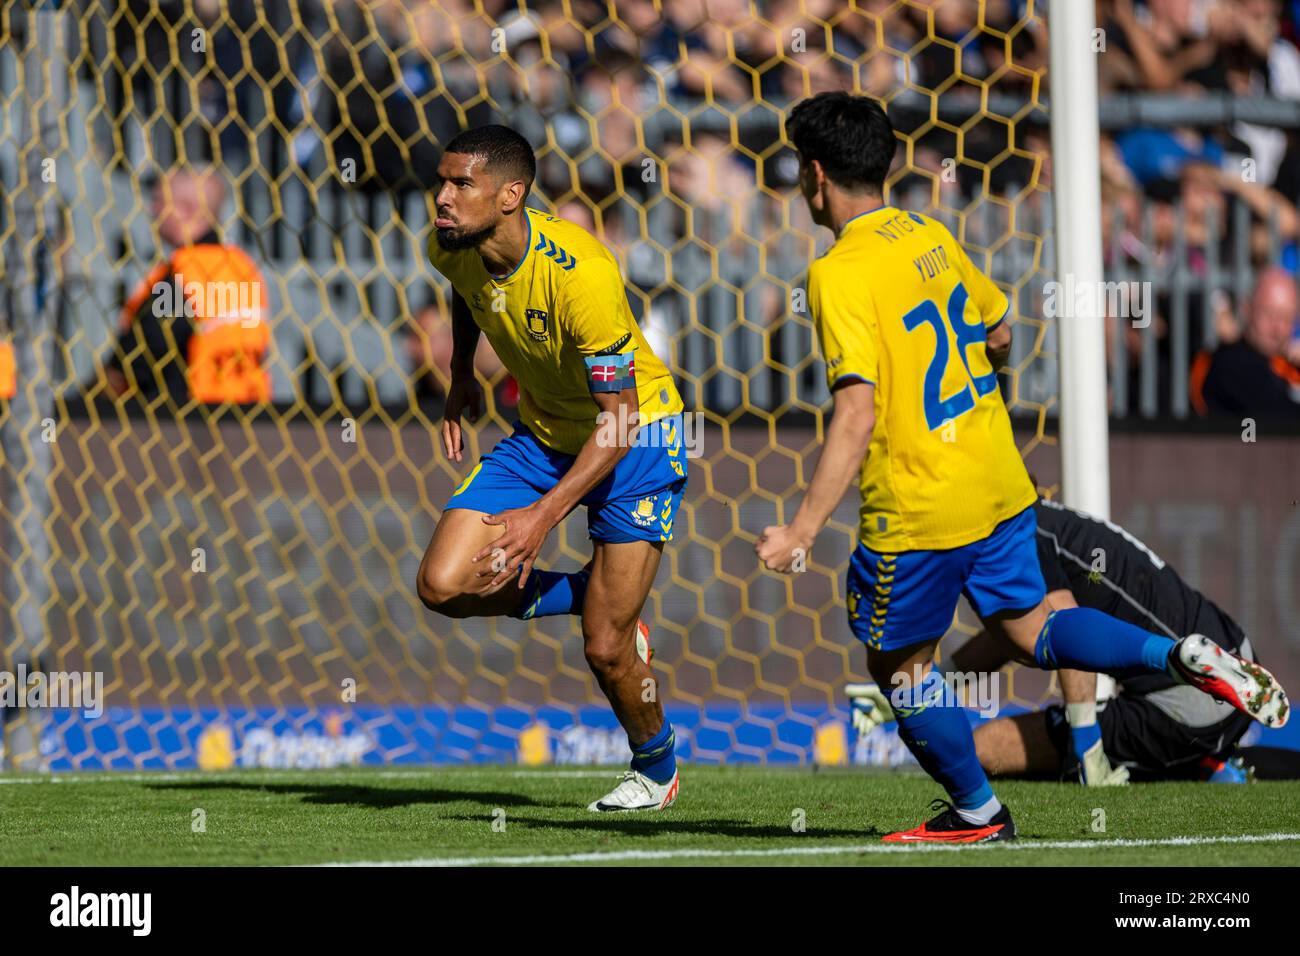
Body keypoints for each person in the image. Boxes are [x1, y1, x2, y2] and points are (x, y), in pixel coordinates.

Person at [755, 92, 1289, 843]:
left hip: (919, 506)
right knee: (1036, 626)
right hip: (1001, 480)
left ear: (813, 177)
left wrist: (803, 530)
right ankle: (1178, 655)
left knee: (898, 668)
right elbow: (1000, 328)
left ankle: (977, 813)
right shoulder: (929, 233)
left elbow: (858, 410)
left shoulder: (837, 272)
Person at [415, 125, 687, 812]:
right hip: (543, 432)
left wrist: (543, 516)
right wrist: (458, 376)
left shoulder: (580, 274)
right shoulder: (450, 245)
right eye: (440, 181)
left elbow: (619, 418)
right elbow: (465, 289)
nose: (441, 198)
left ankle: (655, 769)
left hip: (638, 434)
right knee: (442, 584)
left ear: (511, 195)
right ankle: (593, 589)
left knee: (605, 647)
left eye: (460, 185)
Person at [849, 497, 1268, 784]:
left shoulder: (1021, 535)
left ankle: (1194, 764)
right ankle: (1192, 758)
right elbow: (1010, 639)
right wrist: (911, 693)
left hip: (1189, 705)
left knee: (976, 753)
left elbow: (1066, 622)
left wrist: (1087, 744)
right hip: (1233, 655)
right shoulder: (1043, 525)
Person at [104, 167, 270, 407]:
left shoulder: (184, 275)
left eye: (159, 201)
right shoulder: (242, 268)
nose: (153, 211)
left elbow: (139, 356)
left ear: (186, 209)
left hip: (185, 422)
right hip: (247, 414)